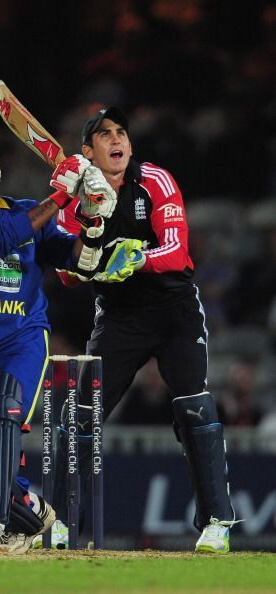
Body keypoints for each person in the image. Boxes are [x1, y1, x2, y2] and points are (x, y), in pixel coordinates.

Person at [49, 107, 240, 554]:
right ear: (88, 152)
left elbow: (176, 250)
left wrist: (130, 259)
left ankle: (216, 522)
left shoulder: (155, 179)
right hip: (119, 317)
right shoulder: (74, 200)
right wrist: (85, 221)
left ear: (129, 145)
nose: (116, 140)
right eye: (104, 135)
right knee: (80, 413)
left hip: (173, 308)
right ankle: (60, 522)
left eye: (121, 133)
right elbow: (68, 272)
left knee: (194, 406)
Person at [0, 135, 115, 554]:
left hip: (21, 337)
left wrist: (93, 219)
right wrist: (62, 193)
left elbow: (77, 261)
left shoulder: (28, 211)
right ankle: (30, 508)